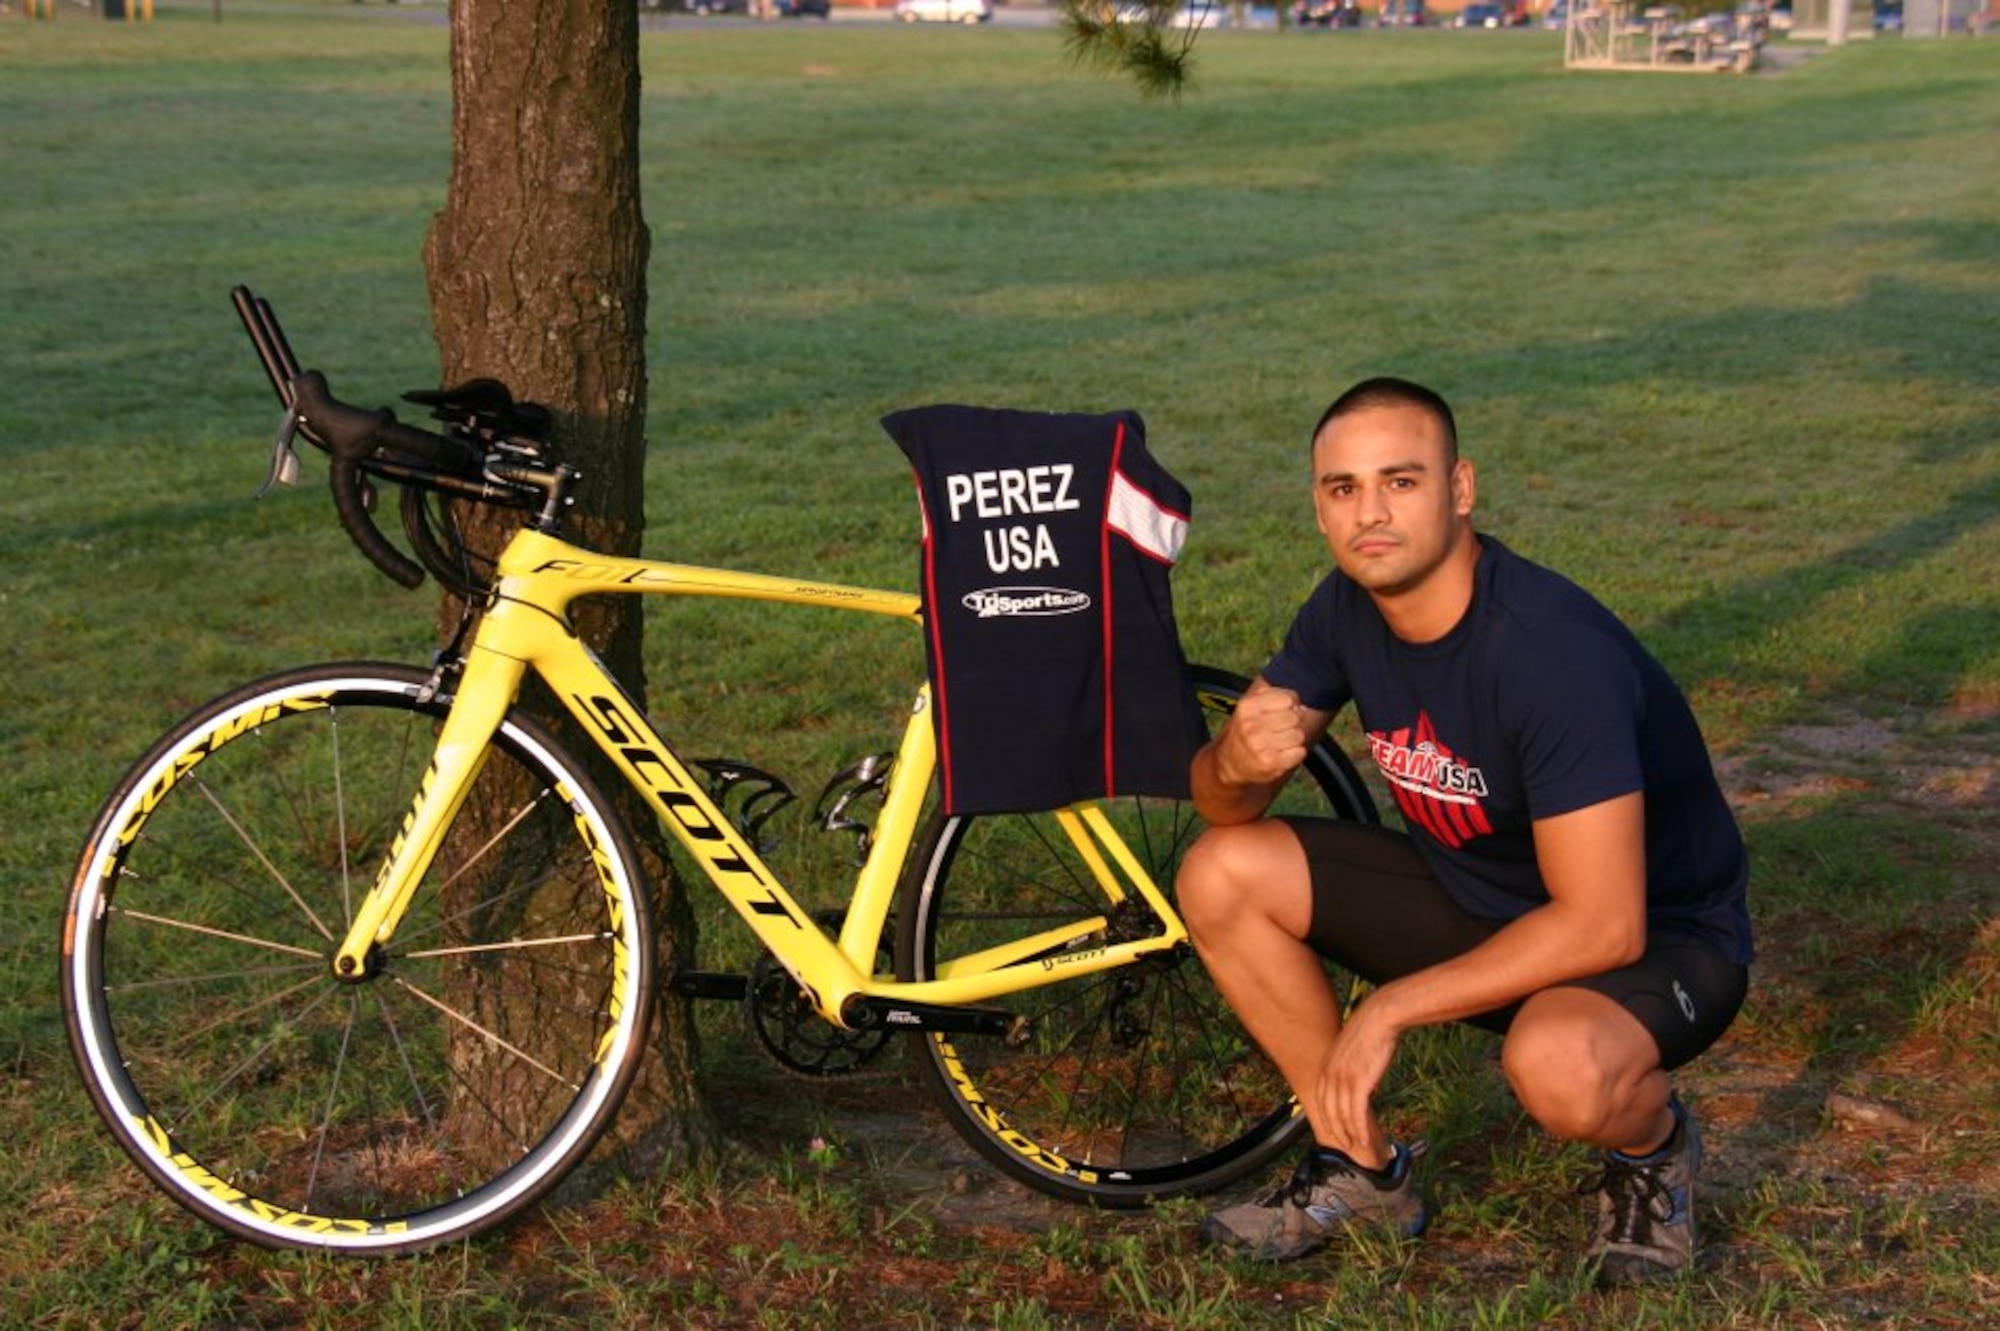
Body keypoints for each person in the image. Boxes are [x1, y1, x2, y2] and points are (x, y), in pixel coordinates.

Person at [1179, 377, 1751, 1284]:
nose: (1371, 512)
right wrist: (1235, 763)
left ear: (1460, 489)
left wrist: (1391, 1007)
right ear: (1320, 507)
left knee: (1558, 1062)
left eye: (1401, 482)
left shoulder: (1548, 651)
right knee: (1221, 870)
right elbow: (1221, 806)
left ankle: (1653, 1153)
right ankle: (1358, 1169)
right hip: (1481, 902)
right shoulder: (1341, 608)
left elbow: (1606, 924)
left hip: (1659, 937)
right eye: (1344, 488)